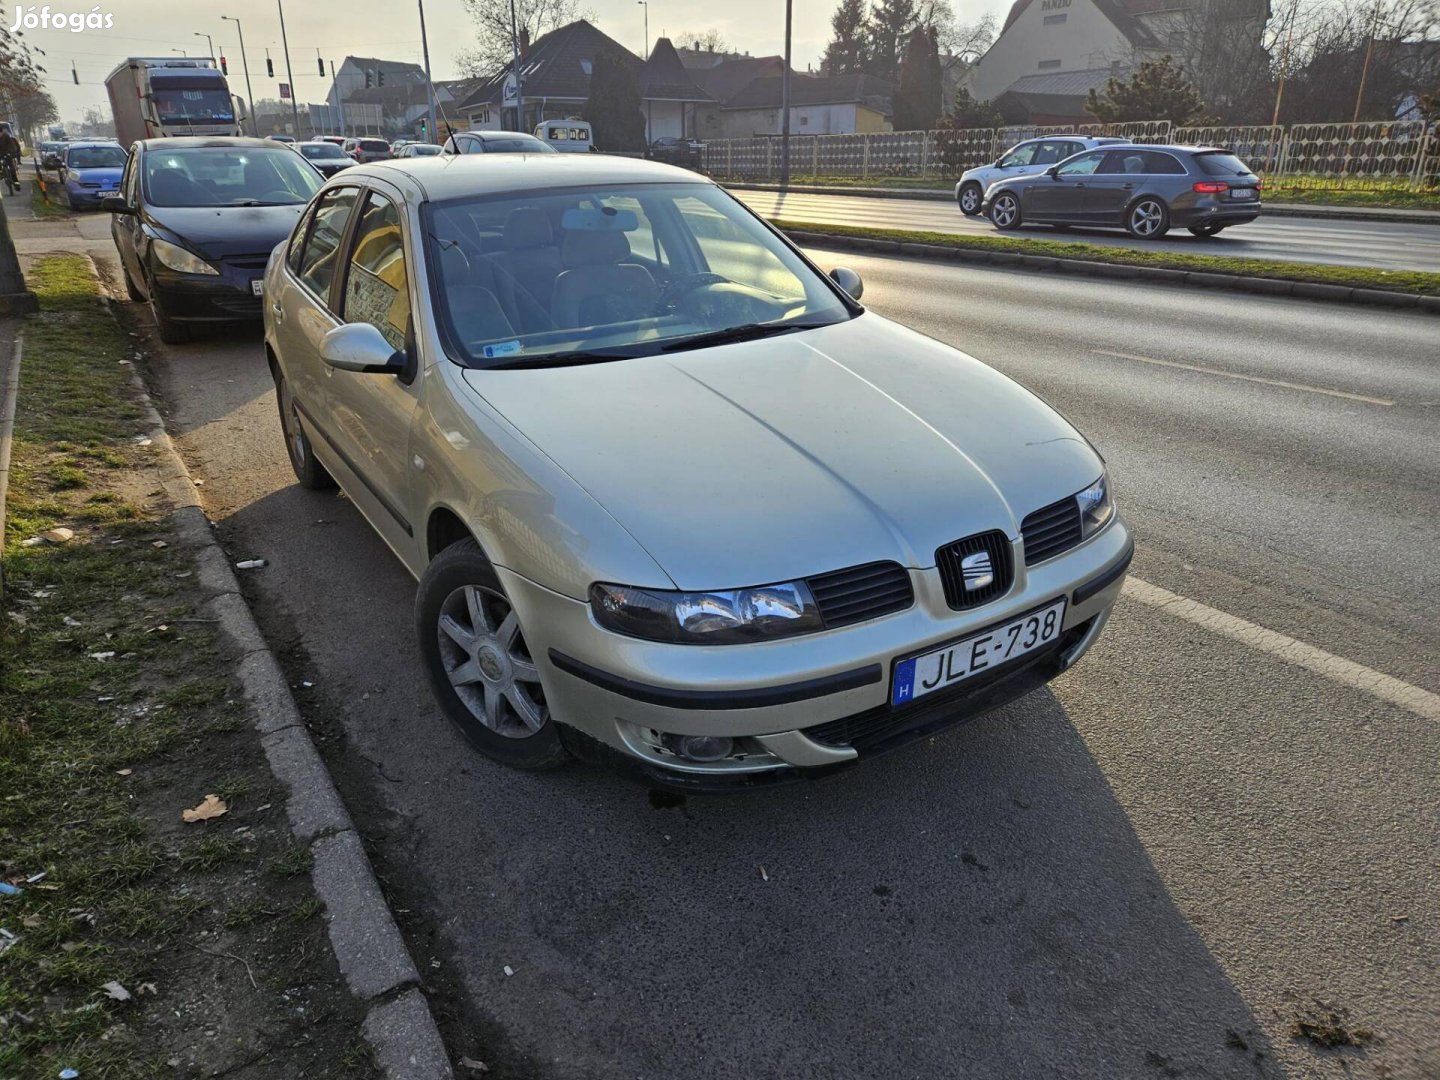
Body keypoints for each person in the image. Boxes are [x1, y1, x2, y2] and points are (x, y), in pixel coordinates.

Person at [0, 123, 21, 194]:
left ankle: (17, 185)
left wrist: (10, 153)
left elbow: (11, 146)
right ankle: (3, 175)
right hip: (0, 155)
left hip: (8, 154)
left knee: (12, 170)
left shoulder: (7, 137)